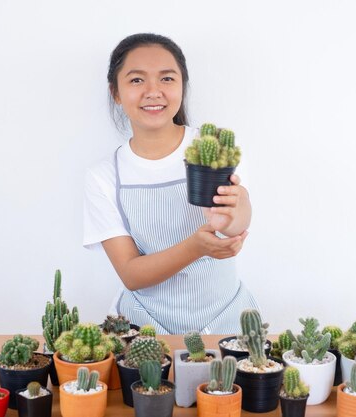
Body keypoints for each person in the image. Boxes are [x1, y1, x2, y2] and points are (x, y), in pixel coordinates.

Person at [83, 33, 259, 335]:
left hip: (226, 322)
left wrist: (232, 217)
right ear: (116, 92)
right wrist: (195, 247)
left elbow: (237, 215)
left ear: (181, 86)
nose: (153, 91)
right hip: (146, 329)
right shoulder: (104, 176)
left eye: (166, 79)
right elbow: (130, 273)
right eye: (137, 80)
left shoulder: (211, 144)